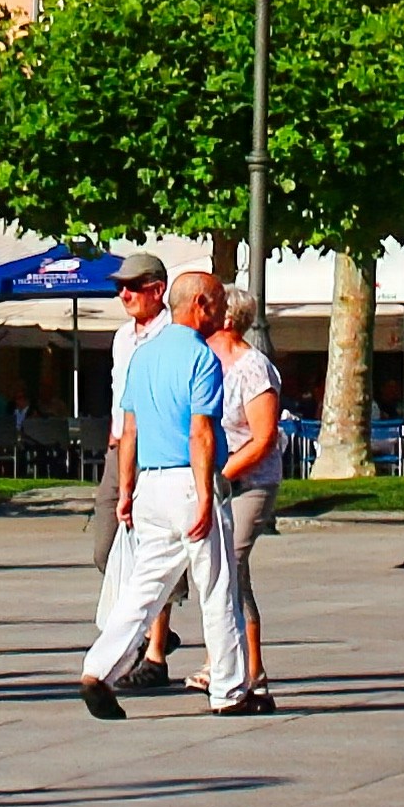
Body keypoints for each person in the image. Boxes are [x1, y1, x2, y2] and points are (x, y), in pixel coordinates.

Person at [83, 266, 243, 721]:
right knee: (216, 587)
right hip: (187, 483)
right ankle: (230, 689)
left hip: (149, 481)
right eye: (216, 302)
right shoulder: (201, 359)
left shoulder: (144, 356)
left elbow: (129, 428)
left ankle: (98, 668)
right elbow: (201, 434)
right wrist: (207, 495)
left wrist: (127, 488)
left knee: (144, 587)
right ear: (199, 306)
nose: (221, 311)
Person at [206, 283, 288, 711]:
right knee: (222, 570)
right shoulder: (204, 363)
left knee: (231, 563)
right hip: (214, 479)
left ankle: (248, 669)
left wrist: (222, 473)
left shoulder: (253, 368)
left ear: (225, 318)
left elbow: (264, 437)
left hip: (251, 480)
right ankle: (237, 666)